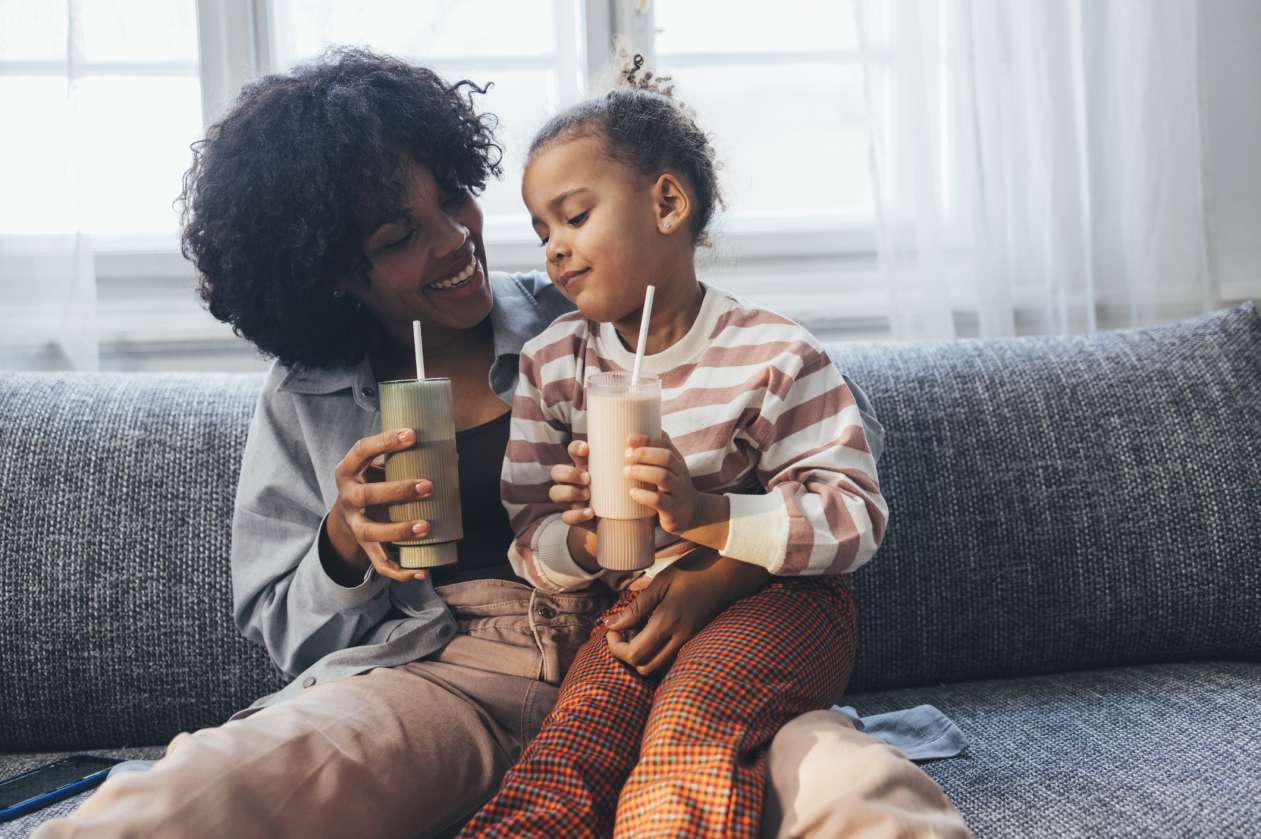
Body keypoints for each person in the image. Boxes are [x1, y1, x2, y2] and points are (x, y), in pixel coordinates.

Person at [33, 48, 970, 838]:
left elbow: (826, 454)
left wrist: (717, 565)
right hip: (456, 681)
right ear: (327, 273)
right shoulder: (307, 400)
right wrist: (346, 542)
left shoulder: (589, 311)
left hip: (677, 659)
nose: (455, 240)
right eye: (403, 234)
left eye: (453, 199)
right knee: (186, 797)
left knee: (859, 794)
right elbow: (283, 628)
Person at [460, 57, 885, 838]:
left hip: (780, 601)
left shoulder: (772, 354)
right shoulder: (553, 364)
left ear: (665, 202)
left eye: (575, 215)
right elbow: (528, 535)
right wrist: (582, 540)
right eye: (541, 229)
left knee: (690, 724)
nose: (554, 247)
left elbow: (852, 515)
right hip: (637, 604)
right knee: (566, 751)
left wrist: (708, 516)